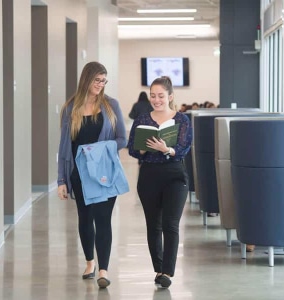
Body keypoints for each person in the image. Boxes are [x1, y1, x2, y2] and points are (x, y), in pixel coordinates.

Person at [57, 61, 127, 288]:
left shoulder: (110, 105)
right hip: (79, 173)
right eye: (97, 80)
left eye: (104, 81)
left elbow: (121, 139)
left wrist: (98, 150)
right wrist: (62, 180)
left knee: (103, 219)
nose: (100, 84)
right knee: (85, 219)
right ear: (86, 79)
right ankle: (90, 262)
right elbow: (65, 147)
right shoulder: (71, 108)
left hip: (104, 172)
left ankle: (103, 270)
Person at [127, 76, 192, 288]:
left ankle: (168, 272)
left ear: (170, 96)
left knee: (170, 224)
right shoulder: (142, 120)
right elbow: (132, 149)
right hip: (149, 175)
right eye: (153, 96)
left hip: (174, 174)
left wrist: (168, 149)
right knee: (153, 225)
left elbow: (184, 147)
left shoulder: (182, 119)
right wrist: (143, 149)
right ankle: (159, 268)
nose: (156, 100)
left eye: (161, 96)